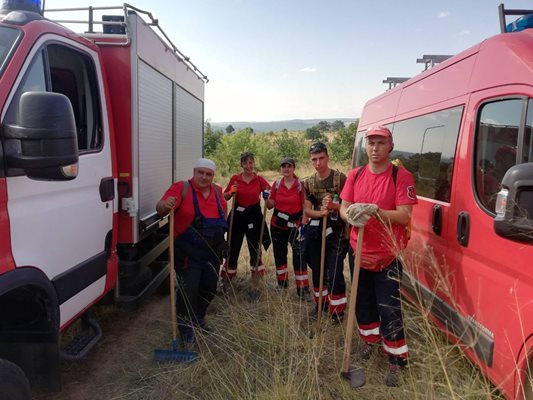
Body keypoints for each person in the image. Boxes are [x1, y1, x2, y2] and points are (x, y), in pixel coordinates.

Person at [339, 126, 417, 387]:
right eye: (371, 143)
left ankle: (396, 360)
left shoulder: (401, 175)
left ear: (390, 146)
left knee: (390, 309)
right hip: (358, 251)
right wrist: (350, 215)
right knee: (363, 304)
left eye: (380, 143)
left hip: (387, 256)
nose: (375, 148)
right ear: (366, 146)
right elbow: (344, 207)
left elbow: (405, 215)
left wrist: (375, 211)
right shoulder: (355, 175)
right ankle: (370, 342)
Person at [156, 158, 227, 344]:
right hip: (188, 252)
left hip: (212, 251)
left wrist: (223, 243)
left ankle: (198, 317)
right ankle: (185, 327)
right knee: (189, 289)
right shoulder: (181, 188)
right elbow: (161, 209)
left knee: (210, 289)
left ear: (213, 176)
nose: (204, 177)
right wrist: (165, 205)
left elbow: (223, 219)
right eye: (200, 173)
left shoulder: (218, 192)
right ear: (194, 172)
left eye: (208, 174)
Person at [303, 142, 348, 322]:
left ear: (327, 157)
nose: (318, 162)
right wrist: (320, 212)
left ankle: (337, 311)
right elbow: (307, 210)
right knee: (317, 270)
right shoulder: (308, 182)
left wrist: (333, 206)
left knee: (334, 271)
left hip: (337, 231)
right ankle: (320, 304)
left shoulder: (340, 179)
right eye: (314, 159)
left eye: (321, 158)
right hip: (317, 229)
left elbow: (347, 206)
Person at [221, 152, 271, 282]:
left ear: (253, 163)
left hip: (254, 216)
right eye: (245, 163)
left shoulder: (259, 179)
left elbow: (271, 192)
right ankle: (228, 277)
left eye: (251, 162)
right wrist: (231, 191)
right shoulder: (235, 179)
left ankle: (256, 278)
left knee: (255, 246)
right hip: (237, 216)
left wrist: (267, 194)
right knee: (233, 245)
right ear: (241, 164)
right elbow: (224, 197)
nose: (248, 166)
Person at [266, 157, 310, 299]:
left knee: (299, 257)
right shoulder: (277, 184)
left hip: (295, 226)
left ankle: (303, 289)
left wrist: (303, 225)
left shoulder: (300, 186)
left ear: (293, 168)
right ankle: (282, 284)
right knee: (279, 256)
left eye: (289, 166)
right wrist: (266, 198)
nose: (286, 169)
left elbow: (305, 207)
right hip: (277, 226)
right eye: (283, 167)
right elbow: (270, 205)